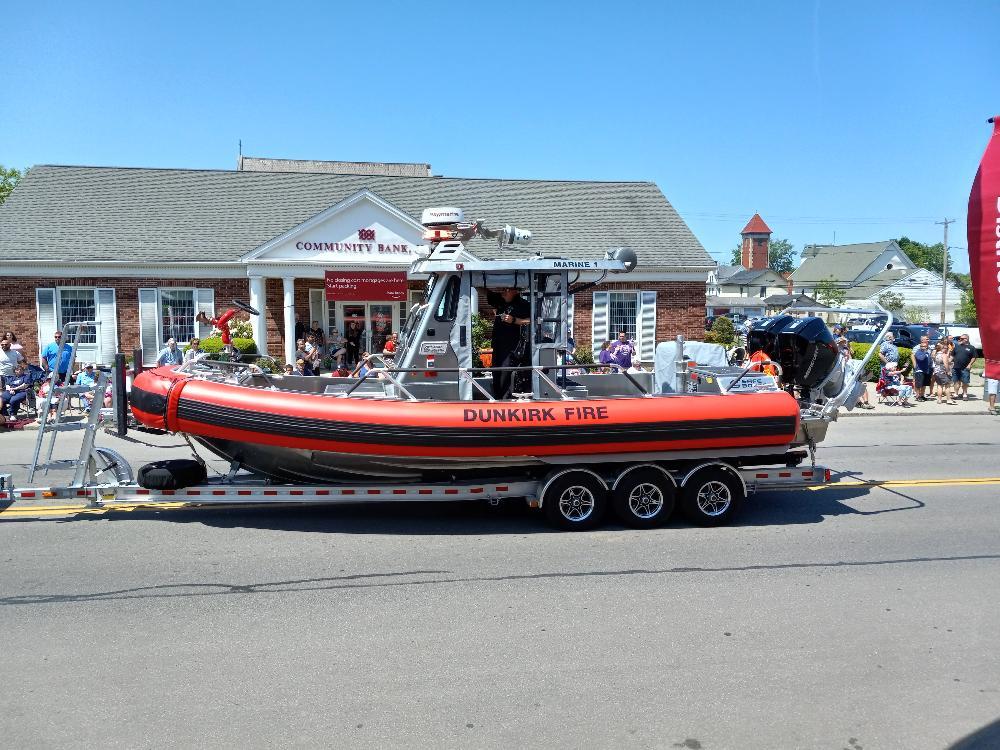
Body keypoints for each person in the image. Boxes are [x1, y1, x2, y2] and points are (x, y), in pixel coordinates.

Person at [486, 286, 531, 399]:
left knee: (505, 372)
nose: (503, 291)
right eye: (503, 288)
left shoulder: (523, 304)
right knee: (496, 372)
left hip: (511, 346)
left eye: (506, 289)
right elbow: (483, 291)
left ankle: (505, 400)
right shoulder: (500, 300)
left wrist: (514, 320)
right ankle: (497, 398)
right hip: (497, 344)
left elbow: (531, 320)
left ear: (515, 291)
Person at [951, 334, 978, 401]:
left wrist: (970, 364)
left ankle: (964, 394)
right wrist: (948, 362)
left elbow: (974, 357)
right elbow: (952, 356)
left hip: (965, 368)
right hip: (956, 367)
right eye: (960, 338)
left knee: (965, 382)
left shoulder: (971, 347)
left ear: (966, 339)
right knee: (956, 381)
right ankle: (956, 394)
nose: (960, 339)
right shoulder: (957, 347)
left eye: (962, 338)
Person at [910, 336, 933, 401]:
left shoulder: (929, 348)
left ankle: (922, 395)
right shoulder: (917, 349)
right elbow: (915, 356)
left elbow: (929, 358)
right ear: (922, 341)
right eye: (927, 339)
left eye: (928, 339)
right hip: (919, 369)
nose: (928, 340)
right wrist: (915, 366)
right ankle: (917, 396)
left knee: (924, 383)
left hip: (927, 369)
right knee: (918, 383)